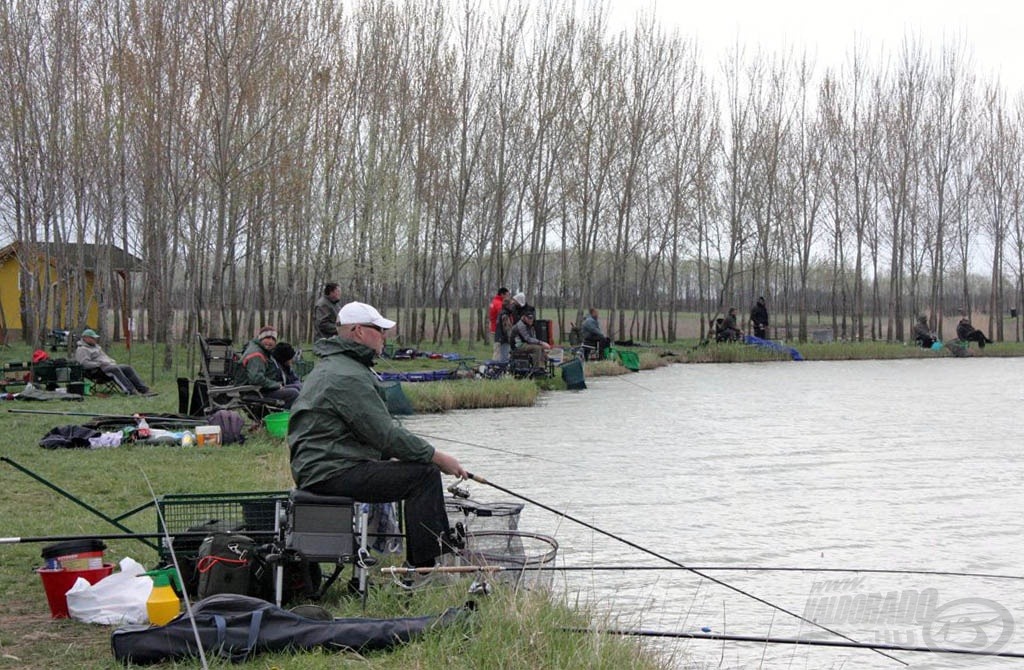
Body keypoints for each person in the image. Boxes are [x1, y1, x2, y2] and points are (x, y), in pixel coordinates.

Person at [288, 301, 468, 569]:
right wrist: (437, 457)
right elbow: (386, 435)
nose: (384, 336)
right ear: (359, 331)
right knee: (425, 475)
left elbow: (366, 432)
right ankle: (423, 568)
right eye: (379, 330)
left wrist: (394, 457)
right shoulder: (346, 375)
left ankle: (428, 555)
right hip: (329, 472)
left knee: (416, 468)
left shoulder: (338, 366)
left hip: (324, 465)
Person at [74, 329, 157, 396]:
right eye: (93, 338)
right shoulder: (82, 349)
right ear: (85, 338)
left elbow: (105, 357)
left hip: (107, 366)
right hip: (96, 371)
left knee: (127, 367)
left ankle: (144, 390)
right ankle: (130, 391)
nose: (95, 339)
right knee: (114, 369)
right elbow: (84, 364)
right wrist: (99, 364)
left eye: (95, 338)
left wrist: (111, 361)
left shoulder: (96, 347)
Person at [236, 326, 300, 408]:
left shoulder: (263, 351)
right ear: (260, 338)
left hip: (262, 389)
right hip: (254, 393)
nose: (270, 341)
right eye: (267, 337)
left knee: (298, 387)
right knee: (293, 393)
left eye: (273, 339)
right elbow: (256, 378)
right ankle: (285, 419)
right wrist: (275, 385)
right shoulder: (256, 354)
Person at [488, 287, 510, 360]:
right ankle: (495, 367)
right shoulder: (499, 303)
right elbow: (503, 315)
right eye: (507, 295)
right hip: (498, 330)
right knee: (498, 350)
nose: (508, 297)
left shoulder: (494, 301)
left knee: (497, 349)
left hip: (493, 328)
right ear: (502, 294)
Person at [494, 295, 517, 363]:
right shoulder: (505, 315)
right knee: (502, 361)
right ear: (507, 305)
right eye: (511, 305)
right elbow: (507, 330)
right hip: (503, 341)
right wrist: (512, 341)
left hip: (498, 339)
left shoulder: (501, 313)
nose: (513, 307)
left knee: (497, 359)